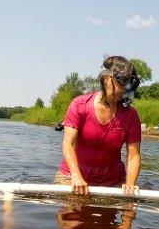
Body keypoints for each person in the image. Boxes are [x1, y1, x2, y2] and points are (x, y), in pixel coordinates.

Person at [55, 55, 142, 196]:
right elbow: (68, 144)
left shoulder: (130, 115)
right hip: (71, 177)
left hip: (112, 182)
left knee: (125, 214)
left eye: (128, 87)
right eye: (121, 85)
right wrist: (76, 176)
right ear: (107, 79)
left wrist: (130, 183)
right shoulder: (79, 105)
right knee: (71, 214)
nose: (124, 92)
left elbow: (133, 156)